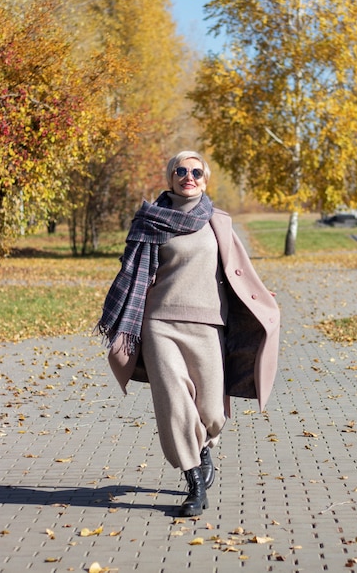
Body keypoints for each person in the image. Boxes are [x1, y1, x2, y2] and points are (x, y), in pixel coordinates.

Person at [97, 150, 280, 517]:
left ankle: (202, 447)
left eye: (196, 171)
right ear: (170, 177)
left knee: (212, 412)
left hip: (209, 324)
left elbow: (238, 272)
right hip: (160, 324)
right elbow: (133, 276)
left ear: (205, 178)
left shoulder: (218, 222)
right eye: (180, 170)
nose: (188, 176)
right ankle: (194, 480)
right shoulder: (149, 221)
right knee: (174, 405)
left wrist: (258, 300)